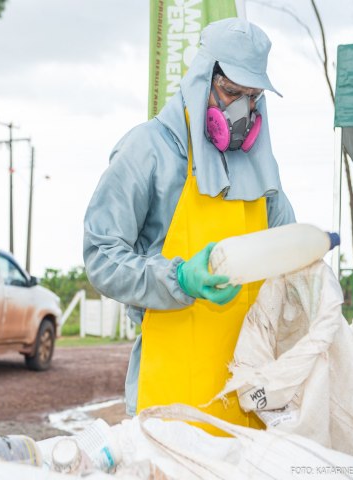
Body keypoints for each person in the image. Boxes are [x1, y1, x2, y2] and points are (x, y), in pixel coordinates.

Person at [83, 18, 295, 429]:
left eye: (253, 98)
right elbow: (101, 257)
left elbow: (285, 253)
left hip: (248, 401)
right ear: (202, 79)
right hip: (172, 397)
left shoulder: (262, 167)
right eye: (232, 92)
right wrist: (179, 278)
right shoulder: (148, 151)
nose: (242, 110)